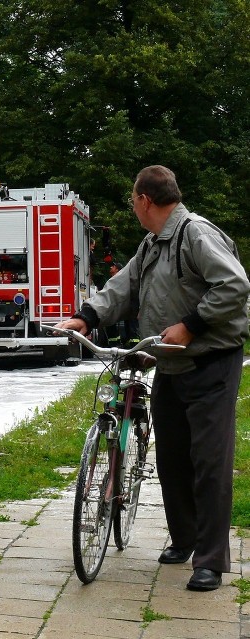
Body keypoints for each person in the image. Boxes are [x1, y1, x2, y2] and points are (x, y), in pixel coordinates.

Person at [56, 165, 249, 591]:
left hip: (212, 362)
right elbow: (124, 286)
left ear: (145, 199)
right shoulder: (153, 244)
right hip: (170, 363)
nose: (132, 207)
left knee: (209, 463)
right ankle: (183, 539)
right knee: (173, 459)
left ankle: (211, 561)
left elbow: (235, 285)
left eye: (132, 199)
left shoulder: (195, 234)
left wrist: (191, 324)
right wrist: (86, 317)